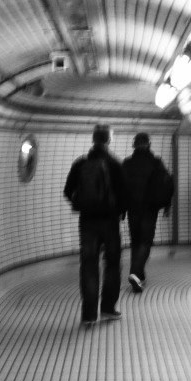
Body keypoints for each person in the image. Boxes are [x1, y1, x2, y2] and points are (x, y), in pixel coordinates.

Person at [64, 124, 130, 325]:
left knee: (89, 265)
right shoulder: (115, 164)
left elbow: (68, 190)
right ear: (109, 140)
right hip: (110, 222)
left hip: (87, 222)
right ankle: (108, 309)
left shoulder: (80, 164)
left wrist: (83, 204)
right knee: (111, 265)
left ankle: (89, 315)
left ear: (93, 140)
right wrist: (119, 211)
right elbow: (125, 195)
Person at [121, 132, 172, 292]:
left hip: (132, 209)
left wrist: (121, 209)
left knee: (136, 241)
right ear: (149, 144)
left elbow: (119, 188)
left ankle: (139, 275)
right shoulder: (156, 162)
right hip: (150, 209)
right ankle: (135, 273)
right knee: (146, 242)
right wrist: (167, 205)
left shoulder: (127, 163)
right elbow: (167, 184)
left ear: (134, 145)